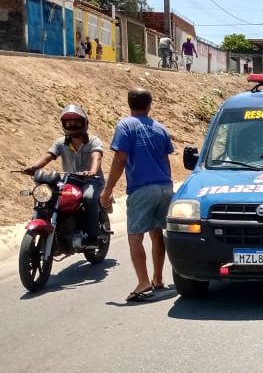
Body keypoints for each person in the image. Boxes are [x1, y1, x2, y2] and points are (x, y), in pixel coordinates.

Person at [100, 89, 175, 302]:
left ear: (129, 103)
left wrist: (108, 189)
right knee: (157, 233)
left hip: (142, 188)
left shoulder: (125, 125)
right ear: (150, 104)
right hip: (164, 187)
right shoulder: (160, 128)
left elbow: (120, 158)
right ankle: (158, 279)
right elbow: (166, 160)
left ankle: (143, 282)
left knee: (135, 236)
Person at [22, 105, 106, 245]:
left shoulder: (93, 141)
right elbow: (49, 156)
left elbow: (96, 157)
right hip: (70, 181)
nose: (72, 125)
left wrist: (92, 171)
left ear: (84, 123)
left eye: (76, 122)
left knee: (88, 197)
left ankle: (93, 236)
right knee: (50, 197)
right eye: (68, 122)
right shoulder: (61, 143)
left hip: (91, 181)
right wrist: (34, 167)